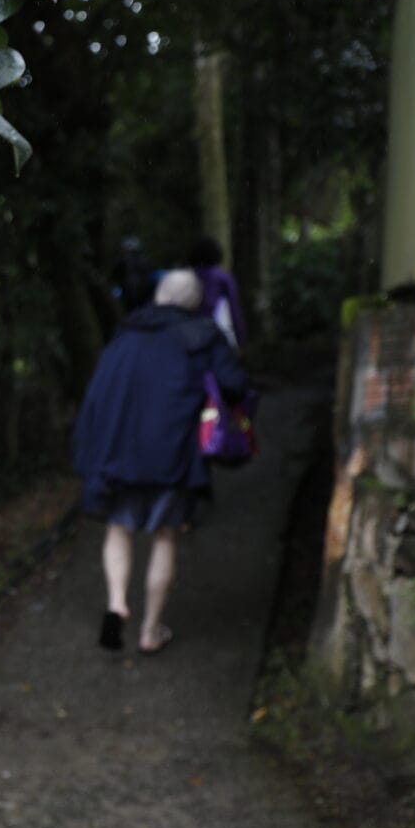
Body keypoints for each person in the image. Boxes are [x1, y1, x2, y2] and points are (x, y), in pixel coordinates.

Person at [72, 269, 249, 653]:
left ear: (158, 296)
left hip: (118, 453)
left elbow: (96, 399)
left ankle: (116, 603)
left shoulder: (124, 336)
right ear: (194, 302)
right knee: (166, 535)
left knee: (119, 529)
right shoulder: (201, 336)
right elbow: (235, 384)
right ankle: (150, 631)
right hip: (172, 454)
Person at [188, 236, 248, 349]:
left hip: (189, 334)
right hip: (215, 333)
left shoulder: (187, 276)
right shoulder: (223, 277)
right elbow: (234, 310)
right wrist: (241, 341)